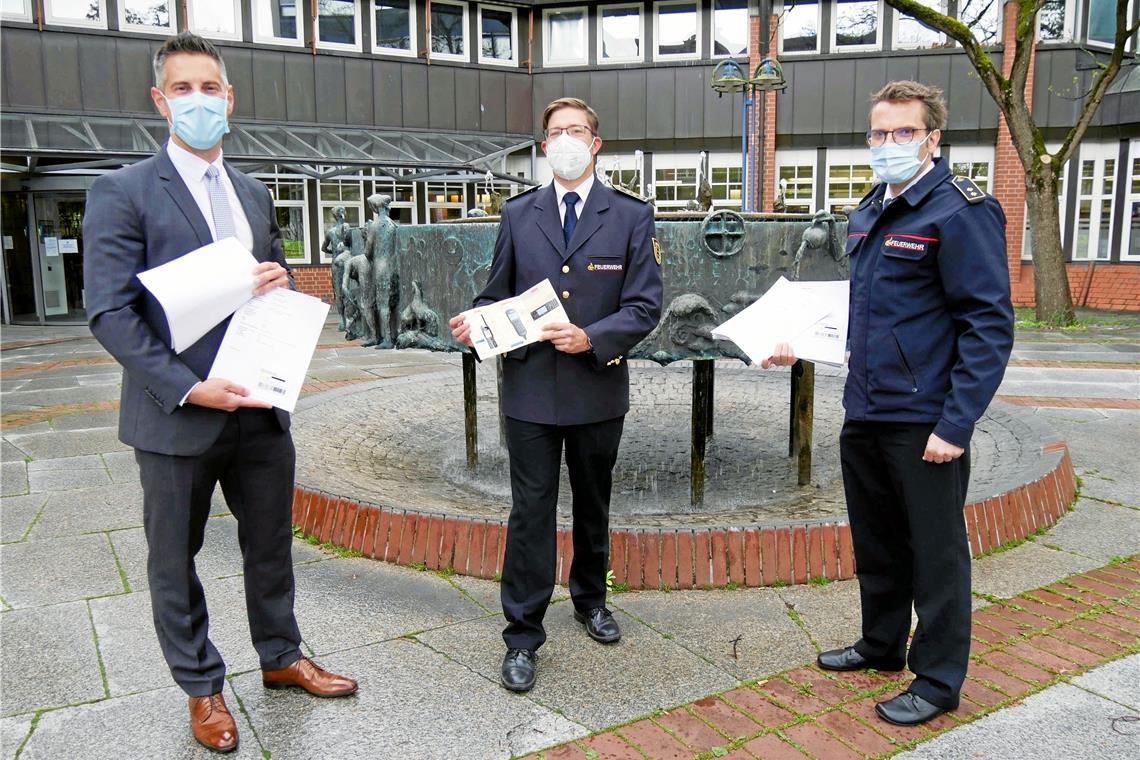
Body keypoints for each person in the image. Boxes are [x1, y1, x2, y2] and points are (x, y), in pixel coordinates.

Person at [82, 33, 357, 754]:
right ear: (160, 101)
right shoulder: (123, 192)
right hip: (177, 416)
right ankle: (202, 689)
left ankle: (281, 655)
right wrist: (186, 387)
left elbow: (269, 283)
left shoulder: (252, 191)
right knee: (175, 558)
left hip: (260, 409)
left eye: (211, 87)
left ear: (230, 98)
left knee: (270, 545)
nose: (199, 100)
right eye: (183, 88)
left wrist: (282, 284)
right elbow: (109, 312)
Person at [764, 80, 1014, 726]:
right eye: (879, 133)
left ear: (934, 138)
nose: (888, 144)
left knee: (936, 554)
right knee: (877, 543)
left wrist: (956, 424)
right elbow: (867, 311)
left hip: (925, 419)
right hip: (867, 408)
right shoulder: (873, 207)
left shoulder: (960, 212)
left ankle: (937, 680)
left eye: (904, 132)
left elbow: (988, 326)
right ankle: (881, 645)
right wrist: (800, 343)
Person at [448, 97, 663, 693]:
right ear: (544, 146)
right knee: (531, 512)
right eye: (555, 132)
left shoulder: (629, 216)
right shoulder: (519, 214)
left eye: (577, 130)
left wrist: (590, 336)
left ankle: (591, 599)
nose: (565, 139)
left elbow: (645, 306)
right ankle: (521, 635)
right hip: (530, 391)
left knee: (594, 504)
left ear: (596, 143)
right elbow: (496, 293)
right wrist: (476, 321)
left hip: (596, 387)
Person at [363, 193, 398, 347]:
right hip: (393, 266)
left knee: (382, 304)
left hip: (380, 268)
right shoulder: (393, 225)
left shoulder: (375, 226)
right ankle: (391, 335)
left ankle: (387, 339)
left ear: (376, 208)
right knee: (391, 303)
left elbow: (367, 252)